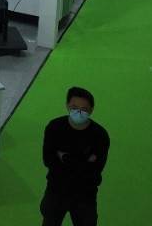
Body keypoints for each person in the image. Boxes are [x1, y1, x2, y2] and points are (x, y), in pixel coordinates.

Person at [41, 86, 110, 226]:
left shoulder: (100, 135)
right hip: (56, 189)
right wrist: (83, 162)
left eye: (84, 109)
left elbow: (95, 170)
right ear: (67, 106)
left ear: (91, 110)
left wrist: (65, 158)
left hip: (85, 193)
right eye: (74, 107)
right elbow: (48, 160)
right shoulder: (54, 128)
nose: (79, 112)